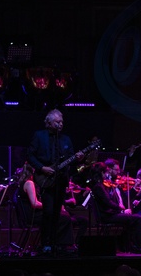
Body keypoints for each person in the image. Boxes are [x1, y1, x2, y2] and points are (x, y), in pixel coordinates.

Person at [26, 109, 84, 254]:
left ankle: (55, 243)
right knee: (48, 212)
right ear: (49, 123)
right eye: (57, 122)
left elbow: (71, 159)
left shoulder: (66, 139)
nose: (61, 124)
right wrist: (42, 168)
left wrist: (78, 159)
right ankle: (45, 243)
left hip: (61, 180)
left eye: (62, 122)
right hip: (45, 178)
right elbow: (30, 156)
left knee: (57, 213)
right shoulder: (39, 136)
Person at [87, 160, 141, 254]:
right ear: (101, 173)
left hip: (110, 214)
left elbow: (115, 200)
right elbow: (108, 202)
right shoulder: (99, 187)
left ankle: (135, 245)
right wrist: (121, 209)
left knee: (139, 219)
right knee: (138, 219)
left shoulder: (102, 185)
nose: (107, 174)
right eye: (106, 172)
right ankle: (139, 246)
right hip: (107, 216)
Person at [13, 162, 75, 251]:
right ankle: (62, 245)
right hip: (32, 216)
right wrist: (52, 206)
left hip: (32, 214)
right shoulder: (29, 183)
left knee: (62, 215)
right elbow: (34, 203)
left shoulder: (25, 182)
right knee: (64, 217)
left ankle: (58, 244)